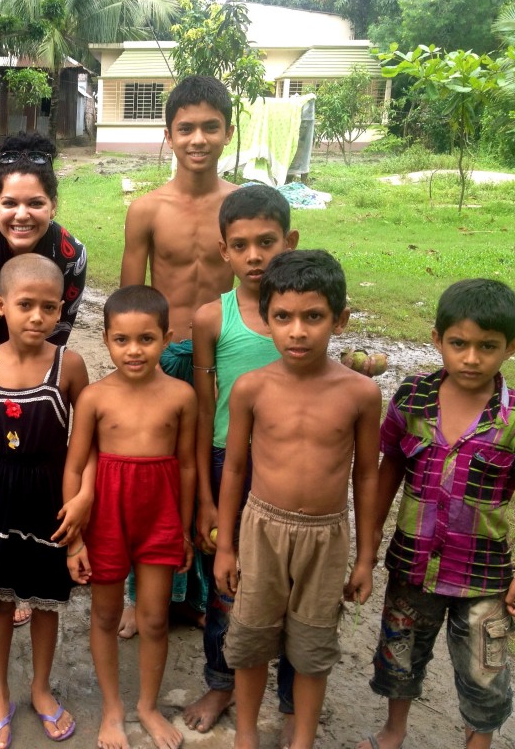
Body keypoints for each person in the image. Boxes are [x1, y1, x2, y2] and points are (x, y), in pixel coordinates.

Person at [213, 250, 382, 749]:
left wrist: (366, 556)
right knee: (249, 642)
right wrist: (226, 545)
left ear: (340, 319)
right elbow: (236, 468)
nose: (298, 331)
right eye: (283, 317)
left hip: (326, 538)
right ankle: (246, 735)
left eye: (314, 317)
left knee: (312, 647)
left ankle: (302, 738)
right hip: (262, 529)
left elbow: (367, 476)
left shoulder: (359, 393)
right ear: (266, 319)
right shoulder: (251, 388)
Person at [354, 279, 515, 749]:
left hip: (484, 576)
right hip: (412, 565)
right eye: (459, 344)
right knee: (400, 654)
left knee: (484, 669)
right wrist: (367, 547)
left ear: (511, 347)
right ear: (437, 339)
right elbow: (388, 465)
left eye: (488, 347)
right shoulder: (412, 398)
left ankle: (479, 741)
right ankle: (394, 731)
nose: (471, 358)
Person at [0, 131, 87, 626]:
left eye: (35, 203)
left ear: (52, 205)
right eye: (9, 202)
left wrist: (33, 381)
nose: (21, 214)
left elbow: (60, 330)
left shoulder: (70, 255)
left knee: (33, 460)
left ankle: (28, 568)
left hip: (36, 362)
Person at [119, 75, 238, 636]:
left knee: (213, 469)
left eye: (210, 127)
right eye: (186, 128)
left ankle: (205, 590)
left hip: (229, 356)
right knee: (157, 472)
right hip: (163, 358)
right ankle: (140, 593)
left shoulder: (242, 207)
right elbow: (127, 302)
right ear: (168, 135)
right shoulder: (146, 209)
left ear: (228, 133)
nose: (198, 139)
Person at [0, 254, 89, 749]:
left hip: (49, 498)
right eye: (26, 305)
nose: (37, 316)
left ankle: (40, 688)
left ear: (61, 311)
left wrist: (82, 498)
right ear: (0, 305)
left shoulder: (69, 365)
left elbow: (89, 437)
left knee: (46, 600)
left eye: (49, 307)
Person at [183, 186, 299, 737]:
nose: (255, 256)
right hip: (228, 463)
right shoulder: (211, 319)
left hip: (293, 468)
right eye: (242, 245)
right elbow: (205, 411)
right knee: (225, 583)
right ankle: (221, 681)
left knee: (295, 588)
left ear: (290, 241)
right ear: (223, 251)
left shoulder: (298, 317)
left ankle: (292, 700)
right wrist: (205, 497)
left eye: (267, 242)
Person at [63, 285, 196, 749]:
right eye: (122, 340)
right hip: (105, 516)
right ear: (105, 339)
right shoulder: (95, 398)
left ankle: (147, 706)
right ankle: (114, 709)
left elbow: (187, 465)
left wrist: (183, 528)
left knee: (155, 619)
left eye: (146, 339)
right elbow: (75, 467)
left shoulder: (181, 396)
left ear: (167, 337)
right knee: (104, 615)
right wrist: (75, 541)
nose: (134, 350)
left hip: (159, 515)